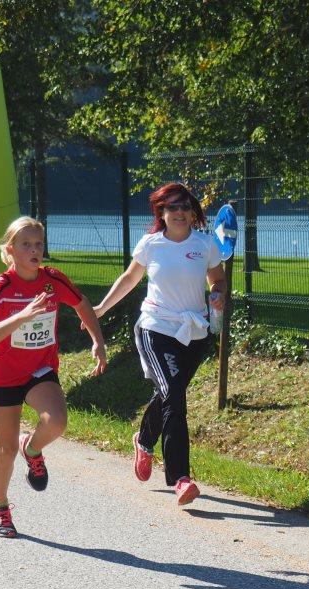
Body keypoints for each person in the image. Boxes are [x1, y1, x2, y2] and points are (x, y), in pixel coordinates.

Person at [91, 183, 225, 505]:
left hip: (194, 332)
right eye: (172, 207)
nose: (179, 212)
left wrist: (218, 294)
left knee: (168, 393)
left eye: (185, 206)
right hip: (156, 328)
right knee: (175, 396)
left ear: (193, 212)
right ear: (161, 213)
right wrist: (101, 309)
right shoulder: (151, 245)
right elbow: (129, 278)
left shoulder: (205, 244)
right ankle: (181, 478)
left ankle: (144, 439)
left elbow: (218, 279)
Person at [0, 216, 107, 538]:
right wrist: (21, 316)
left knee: (57, 422)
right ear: (10, 250)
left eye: (38, 244)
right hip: (4, 373)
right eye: (26, 245)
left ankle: (32, 449)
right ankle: (0, 508)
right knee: (5, 450)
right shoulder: (1, 287)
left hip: (40, 368)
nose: (34, 250)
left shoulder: (52, 280)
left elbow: (82, 304)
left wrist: (98, 342)